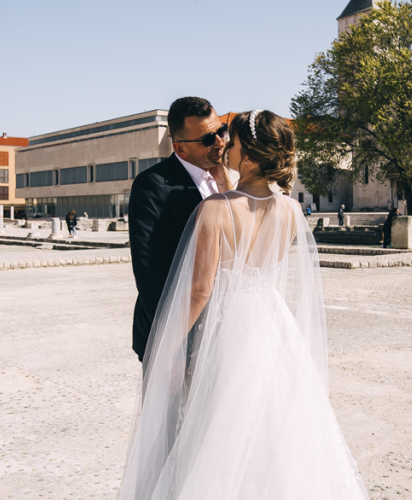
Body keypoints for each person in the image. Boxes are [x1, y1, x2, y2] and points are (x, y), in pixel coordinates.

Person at [118, 110, 368, 499]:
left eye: (231, 142)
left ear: (248, 158)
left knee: (215, 427)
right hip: (271, 322)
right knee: (271, 425)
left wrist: (168, 344)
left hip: (227, 326)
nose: (224, 147)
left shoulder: (216, 209)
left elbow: (200, 291)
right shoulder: (291, 210)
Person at [128, 96, 228, 363]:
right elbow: (150, 274)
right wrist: (170, 343)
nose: (220, 142)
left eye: (221, 131)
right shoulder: (152, 186)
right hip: (176, 335)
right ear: (180, 148)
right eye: (208, 139)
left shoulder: (232, 177)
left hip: (225, 334)